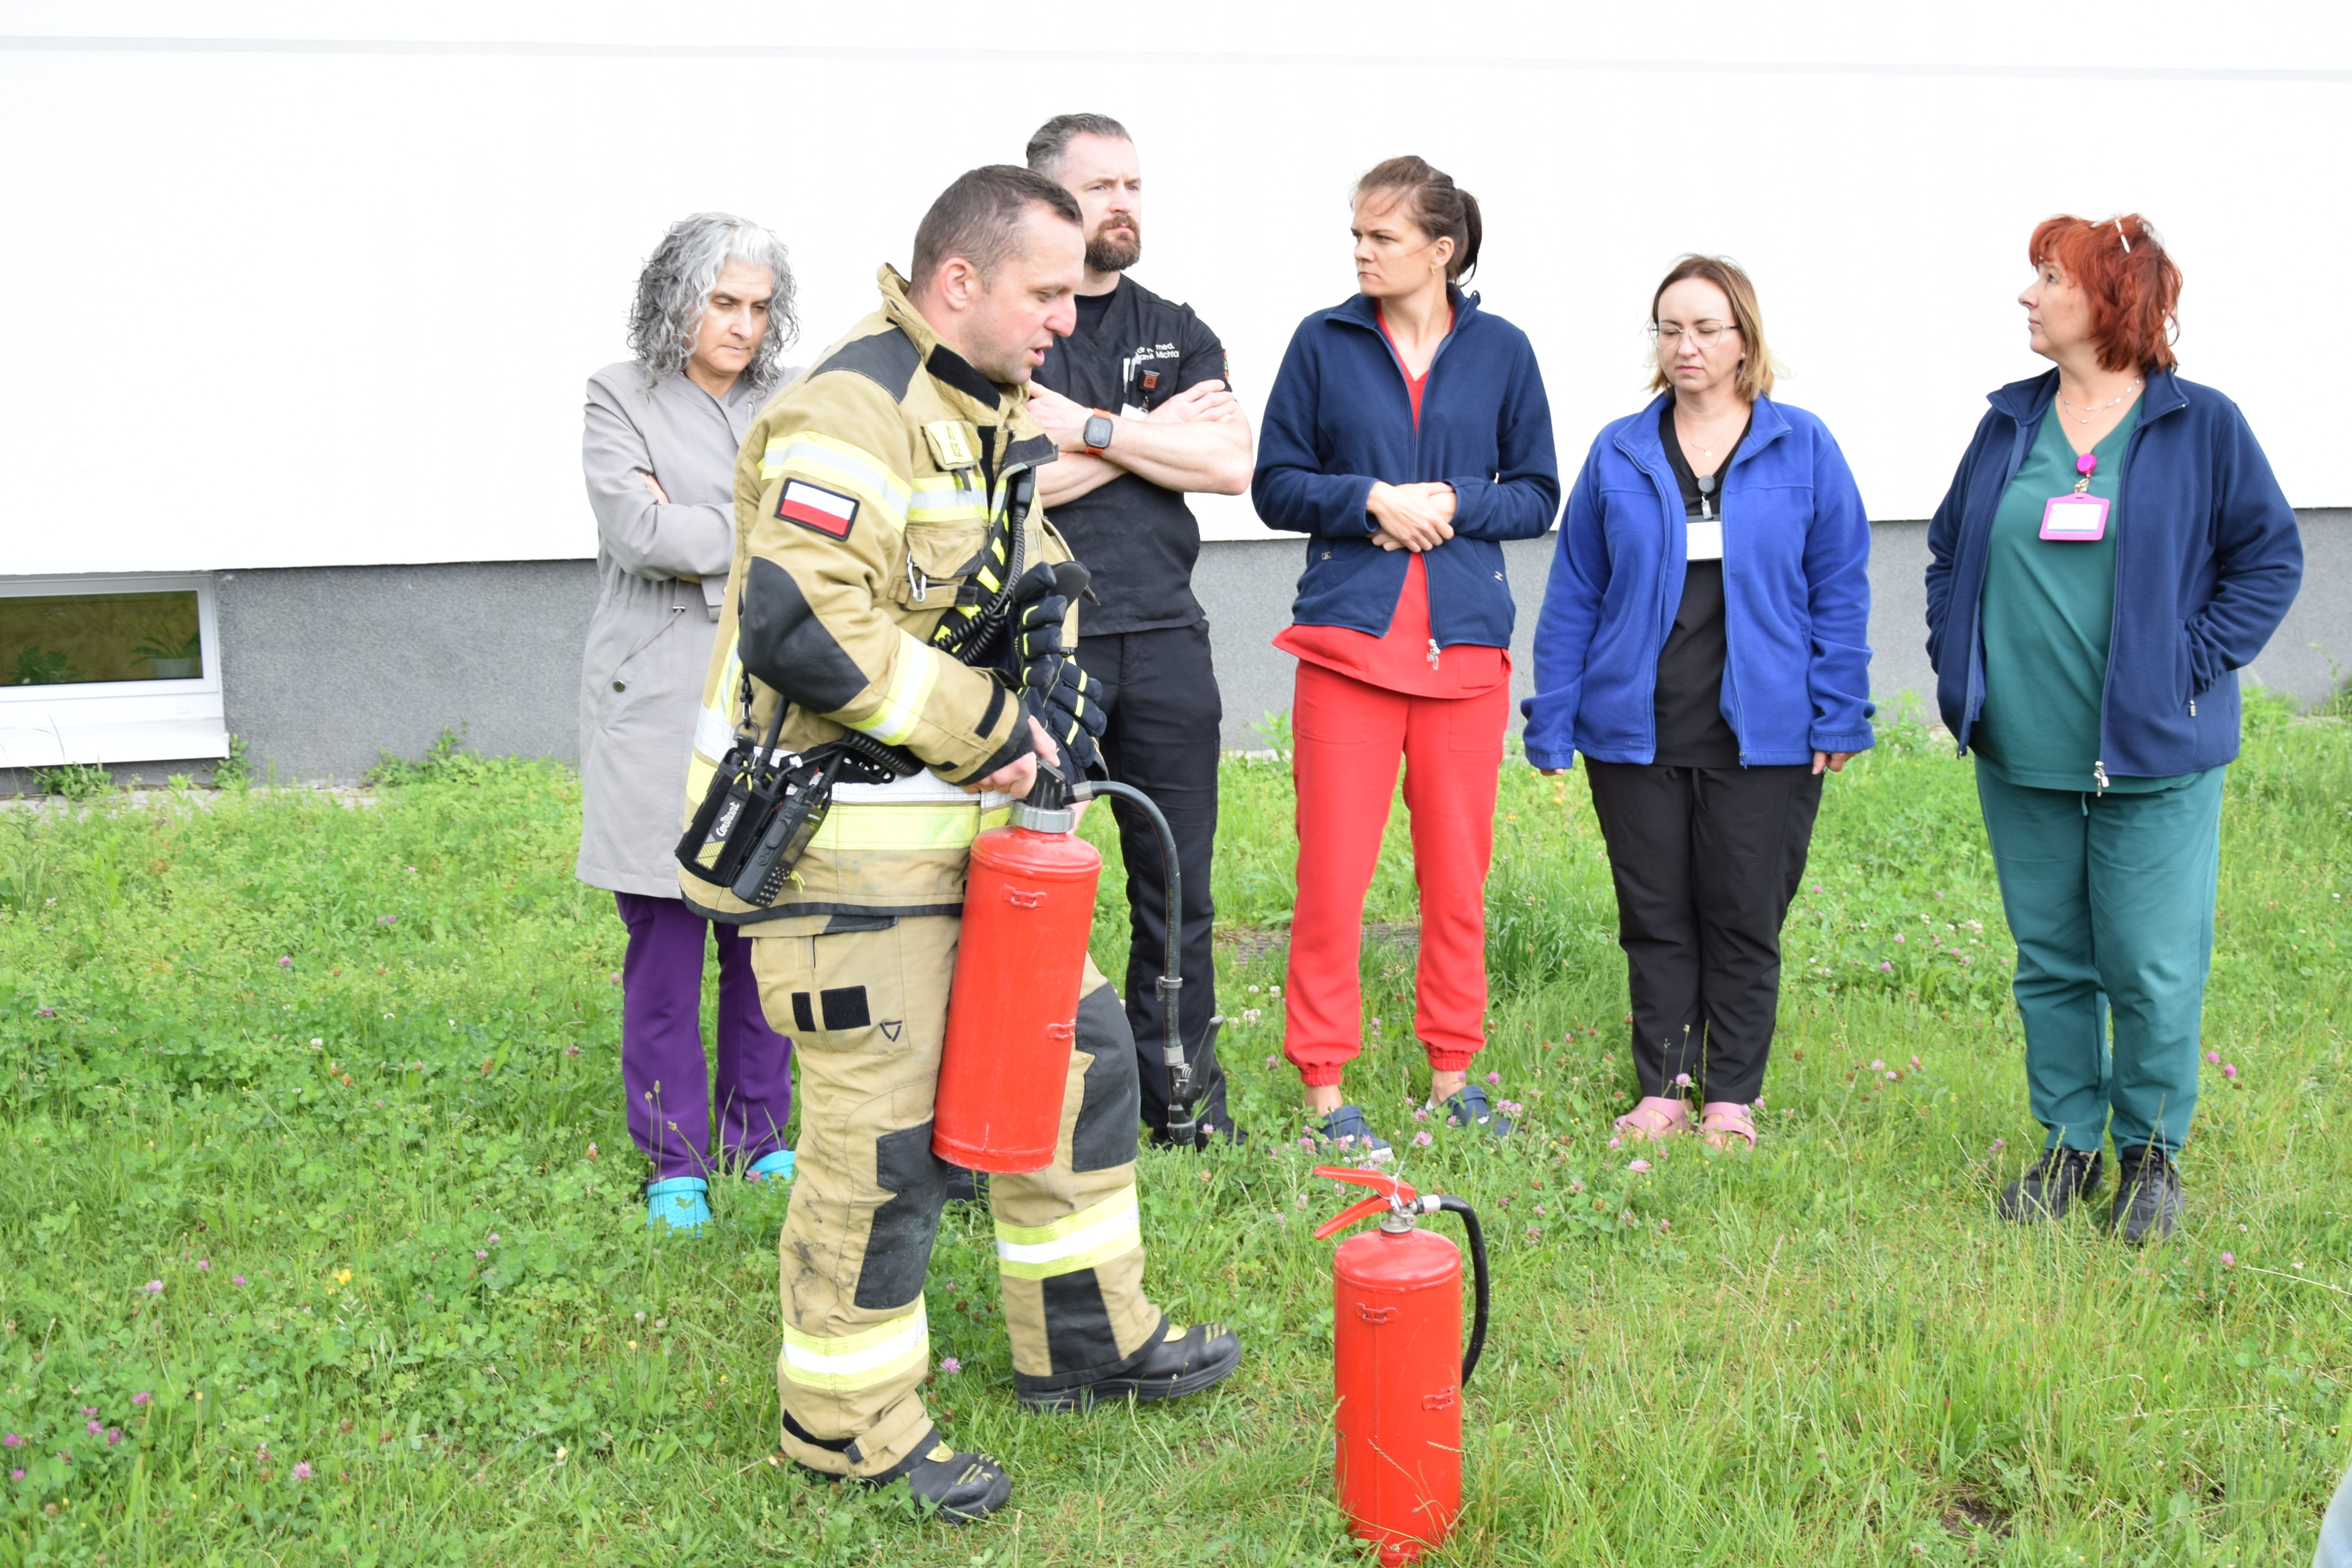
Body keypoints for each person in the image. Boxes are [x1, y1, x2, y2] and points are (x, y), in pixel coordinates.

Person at [676, 166, 1241, 1523]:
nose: (1066, 318)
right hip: (843, 865)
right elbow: (804, 623)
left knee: (1081, 1066)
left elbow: (1029, 580)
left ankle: (1084, 1341)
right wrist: (995, 728)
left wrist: (1058, 682)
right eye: (1045, 293)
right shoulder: (849, 411)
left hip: (976, 854)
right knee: (882, 1153)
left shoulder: (981, 407)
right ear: (959, 281)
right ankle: (847, 1424)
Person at [1926, 213, 2301, 1242]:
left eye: (2047, 276)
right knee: (2050, 959)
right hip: (2021, 748)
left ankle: (2148, 1155)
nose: (2027, 294)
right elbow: (1950, 549)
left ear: (2107, 299)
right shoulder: (2009, 423)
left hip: (2151, 749)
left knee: (2147, 964)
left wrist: (2185, 665)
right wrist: (1956, 655)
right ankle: (2067, 1145)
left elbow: (2268, 558)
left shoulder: (2199, 424)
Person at [1522, 256, 1875, 1151]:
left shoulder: (1803, 446)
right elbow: (1575, 594)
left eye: (1706, 329)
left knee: (1743, 916)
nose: (1685, 346)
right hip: (1634, 731)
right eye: (1669, 328)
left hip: (1765, 734)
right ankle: (1665, 1089)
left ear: (1743, 339)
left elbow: (1838, 586)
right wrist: (1553, 713)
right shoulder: (1620, 450)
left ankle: (1731, 1097)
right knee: (1655, 919)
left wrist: (1839, 709)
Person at [1253, 156, 1559, 1159]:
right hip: (1348, 649)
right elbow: (1275, 483)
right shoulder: (1322, 341)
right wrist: (1369, 500)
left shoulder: (1503, 351)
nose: (1360, 251)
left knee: (1456, 880)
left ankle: (1452, 1073)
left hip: (1464, 653)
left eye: (1380, 236)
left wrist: (1454, 503)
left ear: (1441, 249)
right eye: (1355, 233)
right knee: (1330, 879)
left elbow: (1537, 493)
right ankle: (1323, 1086)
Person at [1023, 111, 1254, 1146]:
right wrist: (1156, 441)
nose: (1122, 204)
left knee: (1178, 887)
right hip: (1044, 642)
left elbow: (1230, 466)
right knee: (1034, 882)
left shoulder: (1174, 326)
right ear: (1049, 201)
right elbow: (1015, 481)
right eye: (1098, 186)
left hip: (1166, 637)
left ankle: (1183, 1106)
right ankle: (1031, 1110)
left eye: (1133, 184)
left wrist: (1091, 430)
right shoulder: (1021, 324)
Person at [578, 213, 802, 1233]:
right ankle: (673, 1158)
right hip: (654, 696)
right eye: (723, 303)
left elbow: (827, 524)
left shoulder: (792, 401)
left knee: (761, 935)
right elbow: (641, 532)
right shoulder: (617, 395)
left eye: (758, 306)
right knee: (665, 945)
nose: (743, 325)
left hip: (767, 693)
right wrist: (757, 527)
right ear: (677, 299)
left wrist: (706, 527)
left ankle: (761, 1135)